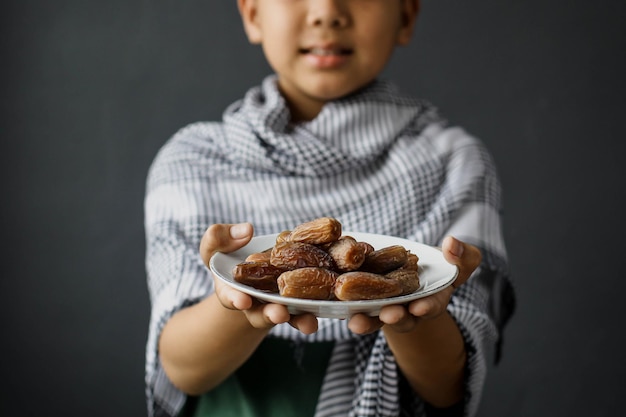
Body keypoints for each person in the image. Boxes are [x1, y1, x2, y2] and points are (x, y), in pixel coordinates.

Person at [143, 0, 516, 416]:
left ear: (406, 16)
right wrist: (239, 297)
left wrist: (413, 316)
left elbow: (449, 387)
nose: (326, 11)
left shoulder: (455, 163)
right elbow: (181, 369)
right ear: (252, 14)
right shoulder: (194, 163)